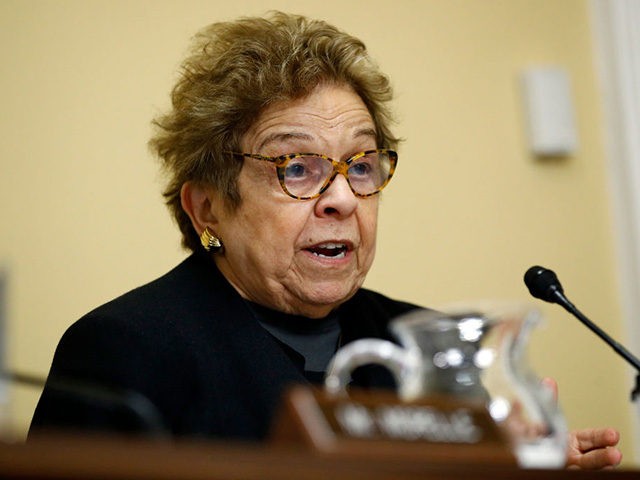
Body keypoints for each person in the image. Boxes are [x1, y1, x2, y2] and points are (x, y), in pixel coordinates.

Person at [29, 12, 621, 469]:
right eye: (296, 167)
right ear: (206, 206)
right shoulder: (122, 351)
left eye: (360, 165)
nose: (341, 198)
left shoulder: (426, 353)